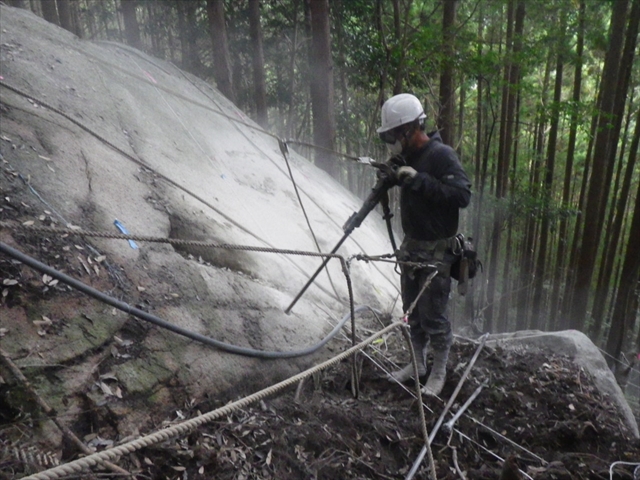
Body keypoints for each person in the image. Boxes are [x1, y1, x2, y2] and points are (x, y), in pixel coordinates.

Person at [377, 93, 471, 396]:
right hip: (412, 247)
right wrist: (391, 175)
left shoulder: (441, 155)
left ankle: (439, 369)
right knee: (412, 312)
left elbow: (462, 195)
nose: (391, 140)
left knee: (434, 315)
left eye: (393, 134)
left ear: (408, 129)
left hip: (436, 252)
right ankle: (417, 364)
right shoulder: (408, 157)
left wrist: (420, 180)